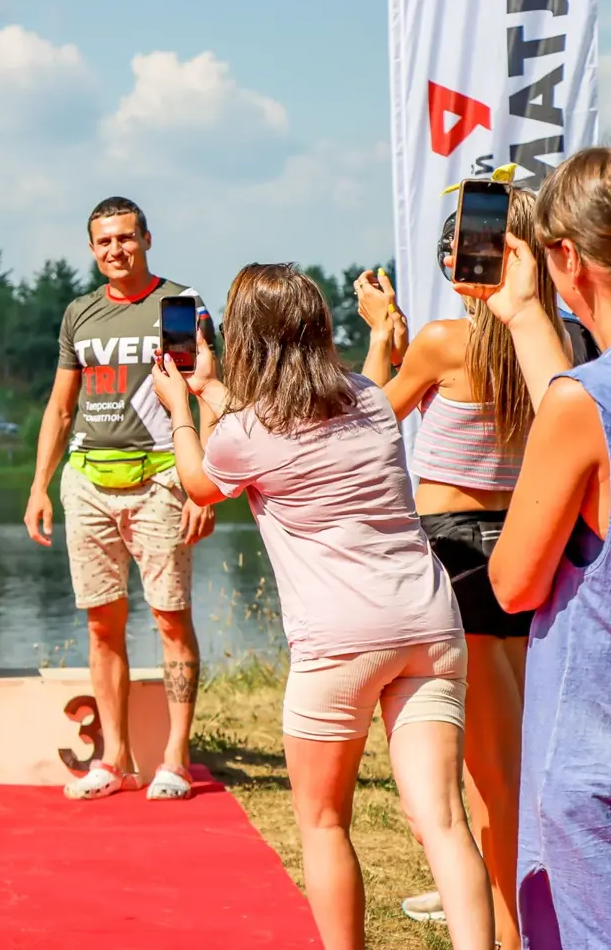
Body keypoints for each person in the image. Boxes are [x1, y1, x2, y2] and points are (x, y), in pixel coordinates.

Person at [152, 262, 493, 950]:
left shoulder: (247, 433)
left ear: (247, 338)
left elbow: (199, 481)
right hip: (427, 625)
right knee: (444, 821)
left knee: (324, 822)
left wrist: (182, 408)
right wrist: (213, 389)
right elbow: (301, 421)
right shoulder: (370, 401)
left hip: (338, 644)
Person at [354, 186, 563, 949]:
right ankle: (509, 909)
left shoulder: (445, 342)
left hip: (454, 552)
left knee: (491, 780)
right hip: (532, 546)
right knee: (523, 767)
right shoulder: (560, 342)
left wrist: (380, 337)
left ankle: (508, 932)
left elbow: (364, 427)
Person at [23, 196, 214, 802]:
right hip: (86, 482)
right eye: (104, 241)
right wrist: (39, 486)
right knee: (101, 624)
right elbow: (60, 407)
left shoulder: (179, 305)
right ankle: (114, 759)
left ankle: (176, 758)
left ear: (147, 239)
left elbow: (206, 392)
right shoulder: (79, 313)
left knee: (169, 618)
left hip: (161, 479)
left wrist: (204, 485)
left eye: (126, 238)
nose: (116, 250)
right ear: (91, 248)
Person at [475, 146, 611, 947]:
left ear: (566, 257)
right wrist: (526, 316)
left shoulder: (581, 405)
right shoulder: (577, 401)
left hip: (592, 752)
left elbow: (514, 583)